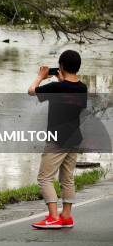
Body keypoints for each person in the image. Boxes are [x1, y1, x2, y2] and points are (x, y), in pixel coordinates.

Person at [27, 49, 87, 229]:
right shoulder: (82, 88)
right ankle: (66, 216)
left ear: (60, 66)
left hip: (57, 140)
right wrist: (62, 81)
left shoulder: (55, 88)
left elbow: (31, 91)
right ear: (77, 67)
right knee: (67, 178)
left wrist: (41, 76)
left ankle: (53, 217)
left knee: (44, 178)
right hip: (74, 138)